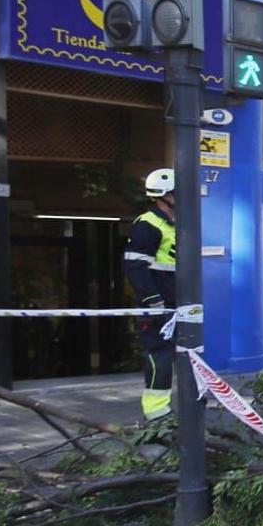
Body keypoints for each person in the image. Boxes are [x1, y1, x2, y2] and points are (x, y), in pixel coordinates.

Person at [122, 168, 178, 421]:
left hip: (178, 303)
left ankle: (193, 402)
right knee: (159, 354)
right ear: (165, 196)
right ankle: (156, 412)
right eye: (179, 192)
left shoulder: (177, 223)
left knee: (190, 353)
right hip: (158, 304)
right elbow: (135, 266)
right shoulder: (148, 224)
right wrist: (152, 301)